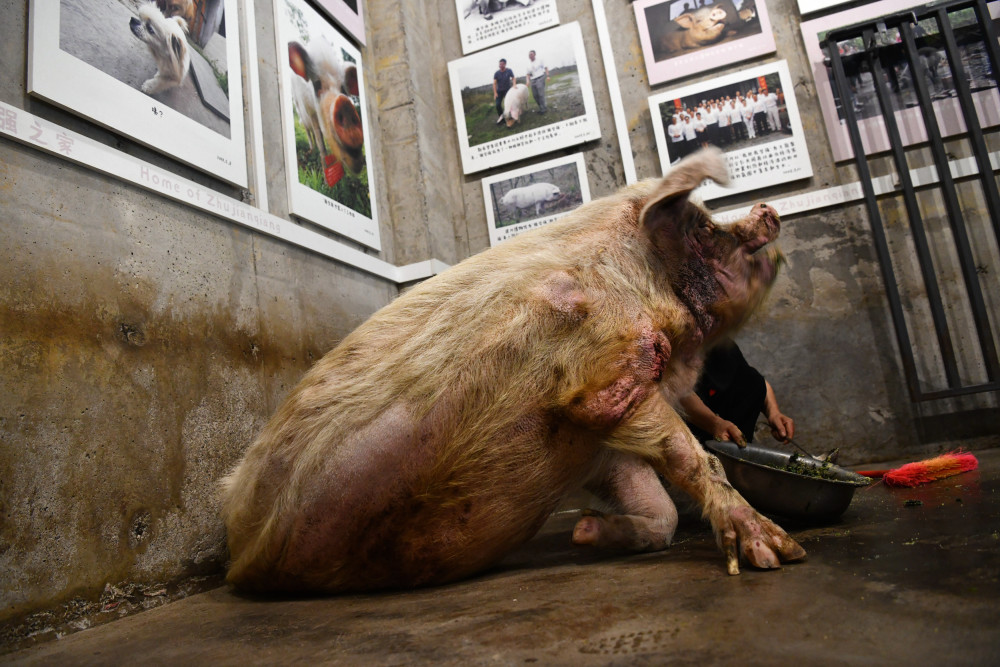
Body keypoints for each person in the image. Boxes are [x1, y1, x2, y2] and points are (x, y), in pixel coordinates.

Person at [679, 339, 794, 447]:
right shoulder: (681, 343)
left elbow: (751, 379)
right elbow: (677, 392)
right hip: (693, 443)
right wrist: (715, 424)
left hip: (735, 442)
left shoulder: (722, 343)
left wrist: (773, 412)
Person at [525, 49, 549, 114]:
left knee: (541, 94)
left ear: (535, 55)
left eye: (531, 54)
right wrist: (527, 81)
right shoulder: (528, 65)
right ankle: (541, 107)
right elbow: (528, 74)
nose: (530, 56)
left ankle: (543, 109)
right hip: (533, 80)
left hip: (540, 77)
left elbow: (545, 68)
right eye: (529, 55)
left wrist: (548, 76)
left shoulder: (540, 60)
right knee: (535, 95)